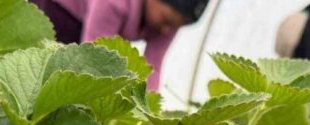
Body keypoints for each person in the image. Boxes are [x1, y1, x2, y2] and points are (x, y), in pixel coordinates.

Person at [31, 0, 210, 90]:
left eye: (175, 26)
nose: (166, 30)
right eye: (166, 19)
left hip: (88, 28)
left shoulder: (169, 23)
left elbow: (152, 67)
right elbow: (93, 55)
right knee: (44, 69)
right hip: (60, 10)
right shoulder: (114, 3)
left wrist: (149, 117)